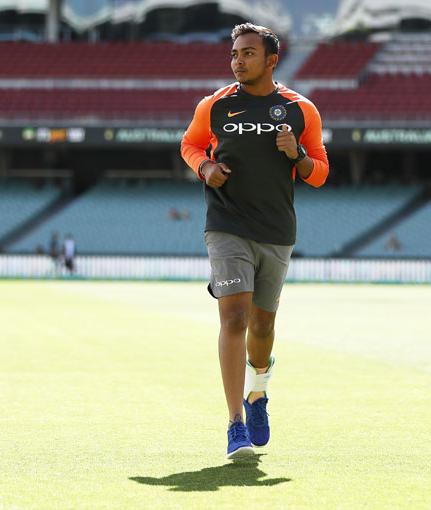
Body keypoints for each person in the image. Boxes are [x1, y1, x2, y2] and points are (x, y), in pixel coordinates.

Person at [180, 22, 329, 459]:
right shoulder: (215, 106)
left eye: (247, 53)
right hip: (226, 224)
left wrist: (296, 155)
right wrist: (205, 168)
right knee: (235, 317)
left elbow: (319, 173)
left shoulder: (302, 110)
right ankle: (235, 425)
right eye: (234, 53)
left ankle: (257, 392)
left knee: (263, 326)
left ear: (271, 60)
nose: (238, 61)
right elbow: (189, 145)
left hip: (277, 231)